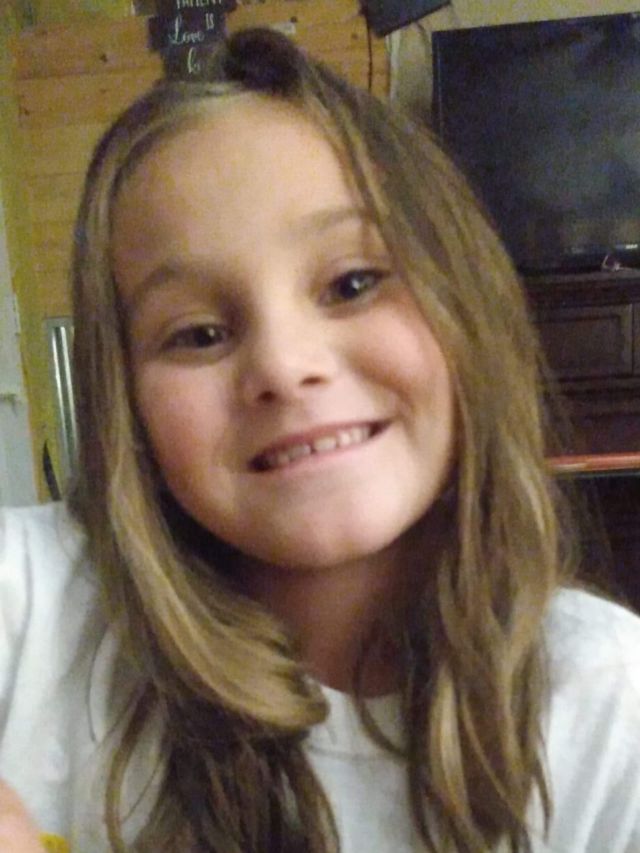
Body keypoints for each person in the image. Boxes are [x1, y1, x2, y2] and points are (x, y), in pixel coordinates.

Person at [0, 27, 639, 853]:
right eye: (197, 334)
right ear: (127, 408)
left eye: (352, 283)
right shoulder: (31, 602)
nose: (283, 365)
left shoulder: (609, 709)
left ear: (467, 305)